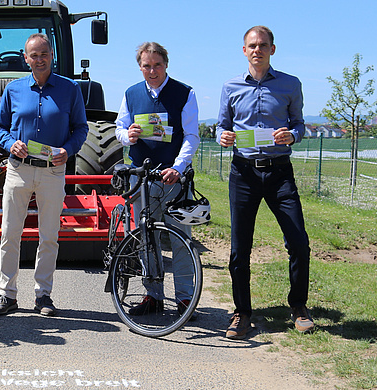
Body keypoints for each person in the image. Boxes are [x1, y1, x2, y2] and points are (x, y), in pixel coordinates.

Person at [216, 25, 312, 340]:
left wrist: (292, 135)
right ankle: (242, 314)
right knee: (239, 249)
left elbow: (299, 124)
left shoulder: (290, 84)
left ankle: (298, 307)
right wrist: (223, 136)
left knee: (298, 242)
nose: (257, 50)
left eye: (263, 45)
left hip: (279, 172)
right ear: (244, 50)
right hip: (243, 173)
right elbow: (221, 126)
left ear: (272, 49)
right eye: (252, 45)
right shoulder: (230, 87)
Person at [0, 33, 88, 317]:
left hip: (52, 171)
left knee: (49, 236)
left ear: (52, 55)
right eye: (34, 55)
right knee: (10, 233)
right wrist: (11, 143)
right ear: (26, 58)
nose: (39, 59)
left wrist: (68, 150)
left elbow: (81, 128)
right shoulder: (13, 89)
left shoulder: (70, 89)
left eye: (44, 54)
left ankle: (43, 294)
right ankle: (7, 294)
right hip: (18, 170)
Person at [114, 42, 200, 316]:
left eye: (157, 65)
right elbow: (119, 129)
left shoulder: (184, 93)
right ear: (140, 67)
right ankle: (153, 295)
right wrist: (129, 136)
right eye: (146, 66)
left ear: (166, 64)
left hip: (173, 179)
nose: (152, 71)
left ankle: (185, 298)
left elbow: (191, 136)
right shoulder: (131, 94)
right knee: (145, 238)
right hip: (141, 178)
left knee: (180, 240)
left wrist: (178, 167)